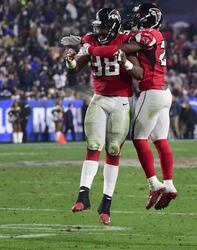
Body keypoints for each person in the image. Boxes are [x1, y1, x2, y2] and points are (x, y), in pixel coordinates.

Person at [84, 3, 178, 210]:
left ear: (147, 19)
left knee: (138, 138)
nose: (135, 20)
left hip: (151, 90)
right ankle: (169, 184)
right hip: (164, 92)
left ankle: (154, 184)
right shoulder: (156, 35)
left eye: (138, 17)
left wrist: (91, 48)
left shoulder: (149, 35)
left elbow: (121, 48)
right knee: (161, 140)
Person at [62, 8, 143, 225]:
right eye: (98, 26)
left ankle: (106, 204)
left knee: (114, 149)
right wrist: (70, 60)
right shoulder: (90, 40)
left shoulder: (124, 41)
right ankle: (83, 196)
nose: (99, 30)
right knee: (93, 144)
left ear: (114, 26)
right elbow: (76, 67)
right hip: (99, 97)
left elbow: (139, 73)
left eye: (104, 26)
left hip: (121, 101)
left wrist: (124, 61)